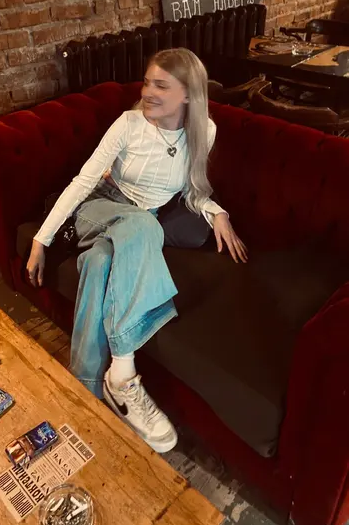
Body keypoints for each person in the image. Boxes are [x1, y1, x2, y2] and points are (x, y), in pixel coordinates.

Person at [27, 48, 247, 453]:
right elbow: (83, 181)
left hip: (138, 223)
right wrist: (41, 239)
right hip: (99, 206)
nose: (147, 92)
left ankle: (84, 387)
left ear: (188, 94)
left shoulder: (205, 131)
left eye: (161, 85)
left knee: (100, 261)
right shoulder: (128, 124)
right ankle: (123, 374)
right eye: (147, 82)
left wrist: (216, 211)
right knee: (145, 226)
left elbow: (191, 189)